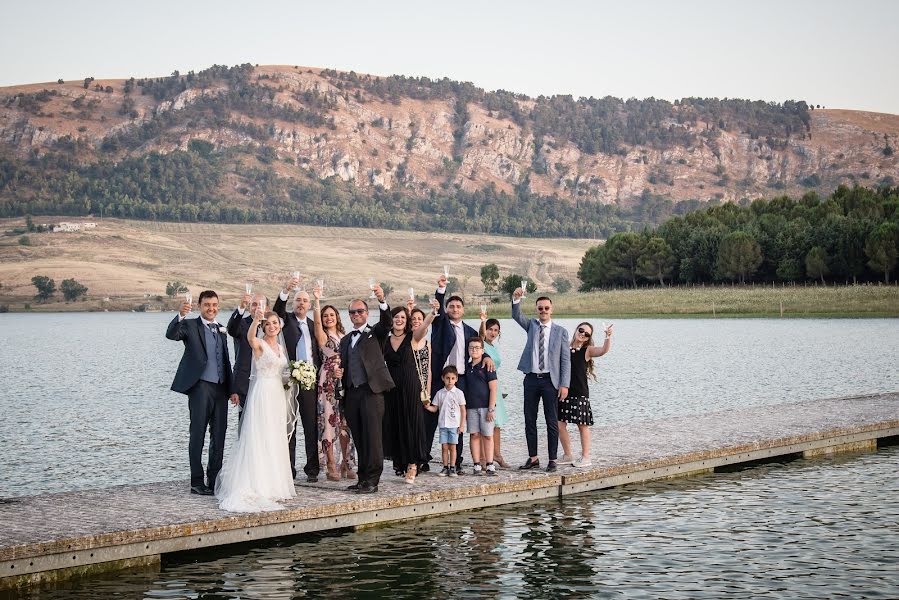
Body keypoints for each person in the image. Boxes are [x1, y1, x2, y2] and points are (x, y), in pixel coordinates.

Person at [215, 309, 298, 512]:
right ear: (263, 327)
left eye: (275, 323)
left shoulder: (280, 347)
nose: (271, 326)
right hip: (263, 393)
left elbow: (284, 373)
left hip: (278, 394)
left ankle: (276, 484)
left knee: (274, 436)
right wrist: (255, 320)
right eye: (268, 324)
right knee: (260, 436)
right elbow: (250, 337)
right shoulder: (259, 344)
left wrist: (295, 377)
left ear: (280, 326)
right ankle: (258, 483)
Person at [165, 290, 238, 495]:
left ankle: (214, 479)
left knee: (219, 435)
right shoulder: (189, 326)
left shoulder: (221, 329)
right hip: (200, 388)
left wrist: (232, 389)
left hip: (221, 389)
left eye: (214, 305)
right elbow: (171, 334)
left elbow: (226, 362)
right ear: (199, 306)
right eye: (207, 305)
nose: (211, 308)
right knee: (197, 434)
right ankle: (196, 482)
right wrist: (180, 315)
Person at [427, 274, 493, 473]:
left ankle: (457, 462)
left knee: (458, 419)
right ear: (447, 309)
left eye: (458, 306)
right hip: (441, 378)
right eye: (451, 306)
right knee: (431, 417)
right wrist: (440, 290)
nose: (455, 309)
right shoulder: (440, 324)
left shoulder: (470, 330)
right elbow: (437, 309)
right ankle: (423, 457)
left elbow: (478, 347)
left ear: (463, 310)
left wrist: (487, 355)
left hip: (462, 380)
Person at [332, 286, 393, 494]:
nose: (356, 314)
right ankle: (362, 478)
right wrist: (341, 374)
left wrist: (382, 300)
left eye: (360, 311)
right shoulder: (345, 340)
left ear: (367, 313)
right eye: (352, 312)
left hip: (372, 392)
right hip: (352, 393)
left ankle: (373, 481)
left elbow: (387, 323)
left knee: (373, 437)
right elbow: (347, 365)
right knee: (358, 437)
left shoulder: (375, 333)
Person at [511, 291, 570, 472]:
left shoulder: (561, 332)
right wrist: (516, 299)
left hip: (550, 382)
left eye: (546, 308)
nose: (543, 311)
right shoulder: (532, 326)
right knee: (530, 419)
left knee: (551, 421)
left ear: (551, 309)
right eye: (540, 308)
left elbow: (565, 360)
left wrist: (564, 384)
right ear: (536, 310)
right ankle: (533, 457)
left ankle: (552, 459)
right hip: (531, 379)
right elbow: (516, 315)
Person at [383, 300, 438, 483]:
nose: (399, 320)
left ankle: (413, 464)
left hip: (410, 386)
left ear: (406, 321)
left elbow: (423, 328)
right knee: (396, 424)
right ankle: (401, 462)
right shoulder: (385, 340)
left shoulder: (413, 338)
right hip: (391, 389)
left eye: (402, 317)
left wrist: (431, 313)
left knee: (412, 424)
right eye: (395, 317)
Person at [274, 276, 321, 483]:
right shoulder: (286, 321)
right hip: (289, 381)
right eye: (298, 300)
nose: (301, 303)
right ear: (293, 304)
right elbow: (276, 310)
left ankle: (312, 469)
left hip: (310, 381)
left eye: (304, 301)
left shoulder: (313, 325)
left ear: (309, 305)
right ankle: (289, 470)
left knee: (310, 426)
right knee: (289, 425)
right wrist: (285, 291)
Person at [310, 285, 357, 481]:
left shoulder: (345, 336)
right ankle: (330, 464)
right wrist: (317, 300)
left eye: (332, 315)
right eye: (325, 315)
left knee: (345, 423)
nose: (329, 318)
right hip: (328, 381)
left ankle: (346, 462)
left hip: (343, 380)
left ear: (337, 317)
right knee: (329, 422)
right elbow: (318, 326)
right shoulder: (323, 336)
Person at [559, 322, 613, 468]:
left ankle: (586, 457)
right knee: (559, 424)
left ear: (588, 338)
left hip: (579, 393)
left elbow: (603, 350)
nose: (582, 334)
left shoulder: (587, 350)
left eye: (586, 334)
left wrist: (607, 337)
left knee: (582, 425)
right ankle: (568, 455)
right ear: (576, 329)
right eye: (581, 330)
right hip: (564, 392)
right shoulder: (565, 347)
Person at [227, 291, 267, 428]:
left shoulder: (271, 326)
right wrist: (241, 307)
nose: (257, 307)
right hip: (244, 384)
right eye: (254, 304)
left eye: (260, 304)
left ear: (266, 308)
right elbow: (231, 329)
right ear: (250, 307)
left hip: (267, 383)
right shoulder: (242, 324)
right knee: (246, 426)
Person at [459, 337, 498, 476]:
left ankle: (490, 464)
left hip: (486, 408)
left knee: (487, 435)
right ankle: (476, 464)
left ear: (482, 350)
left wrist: (491, 409)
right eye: (471, 348)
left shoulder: (487, 366)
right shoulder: (467, 367)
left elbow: (493, 389)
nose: (474, 350)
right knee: (474, 435)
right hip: (471, 408)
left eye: (477, 347)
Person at [479, 312, 510, 468]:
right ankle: (484, 458)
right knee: (486, 423)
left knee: (497, 424)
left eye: (496, 330)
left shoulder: (493, 347)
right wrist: (482, 322)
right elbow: (480, 336)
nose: (493, 332)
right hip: (484, 387)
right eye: (490, 329)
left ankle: (497, 455)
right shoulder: (482, 345)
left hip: (495, 388)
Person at [424, 366, 466, 477]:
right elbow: (435, 408)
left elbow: (463, 410)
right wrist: (428, 407)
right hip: (443, 425)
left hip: (454, 425)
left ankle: (453, 467)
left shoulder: (459, 393)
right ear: (443, 378)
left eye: (452, 378)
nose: (450, 381)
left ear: (456, 379)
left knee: (453, 447)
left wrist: (462, 425)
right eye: (447, 378)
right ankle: (445, 467)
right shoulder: (440, 393)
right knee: (444, 447)